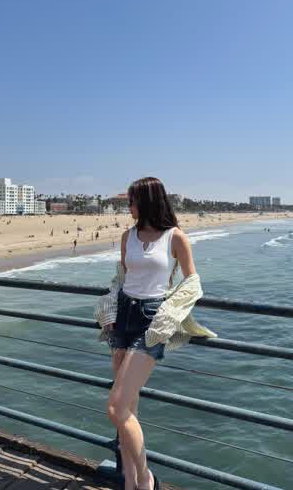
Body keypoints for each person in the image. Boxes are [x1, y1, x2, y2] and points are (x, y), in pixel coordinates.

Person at [96, 177, 204, 490]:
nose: (128, 207)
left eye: (131, 201)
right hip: (123, 318)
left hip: (151, 321)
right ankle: (131, 482)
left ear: (146, 201)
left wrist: (169, 316)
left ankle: (146, 478)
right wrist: (108, 312)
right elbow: (121, 278)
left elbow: (192, 283)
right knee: (127, 409)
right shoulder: (127, 236)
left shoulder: (175, 237)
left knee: (116, 408)